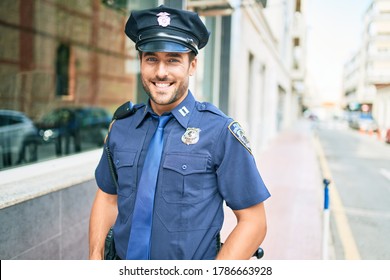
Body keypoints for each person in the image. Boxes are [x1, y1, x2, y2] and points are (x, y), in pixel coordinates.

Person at [89, 5, 270, 260]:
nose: (161, 72)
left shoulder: (219, 132)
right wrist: (95, 258)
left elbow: (253, 221)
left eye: (173, 59)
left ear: (192, 65)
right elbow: (107, 198)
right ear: (141, 62)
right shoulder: (122, 127)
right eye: (151, 58)